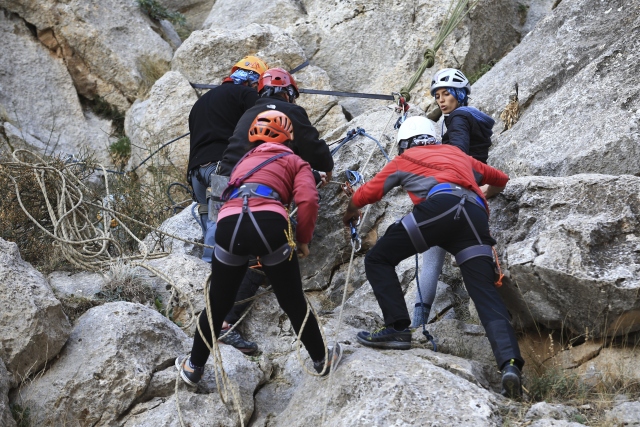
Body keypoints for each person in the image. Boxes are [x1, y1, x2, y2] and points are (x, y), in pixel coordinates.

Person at [342, 131, 523, 398]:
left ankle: (397, 329)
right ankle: (510, 365)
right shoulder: (458, 155)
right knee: (484, 293)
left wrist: (350, 209)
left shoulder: (406, 158)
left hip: (441, 207)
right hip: (475, 215)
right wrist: (481, 193)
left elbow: (370, 192)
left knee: (378, 258)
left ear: (405, 144)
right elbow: (501, 179)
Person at [177, 111, 342, 386]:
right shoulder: (295, 160)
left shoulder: (242, 162)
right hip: (268, 224)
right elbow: (308, 200)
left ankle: (193, 367)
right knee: (292, 301)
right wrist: (303, 239)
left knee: (217, 303)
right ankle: (322, 359)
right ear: (289, 138)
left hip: (229, 225)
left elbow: (224, 194)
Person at [186, 55, 268, 354]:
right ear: (254, 81)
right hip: (221, 168)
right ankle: (215, 279)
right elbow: (263, 121)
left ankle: (207, 268)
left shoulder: (202, 102)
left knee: (210, 218)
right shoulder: (244, 94)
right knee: (222, 221)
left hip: (197, 172)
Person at [411, 68, 499, 328]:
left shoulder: (458, 118)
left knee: (431, 261)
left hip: (451, 191)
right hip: (472, 196)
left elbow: (458, 152)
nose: (441, 100)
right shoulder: (475, 119)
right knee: (473, 267)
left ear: (459, 94)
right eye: (437, 95)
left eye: (446, 94)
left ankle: (417, 325)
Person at [218, 68, 334, 183]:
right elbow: (312, 148)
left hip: (226, 179)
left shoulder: (248, 113)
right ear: (288, 94)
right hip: (254, 182)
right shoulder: (291, 110)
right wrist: (326, 167)